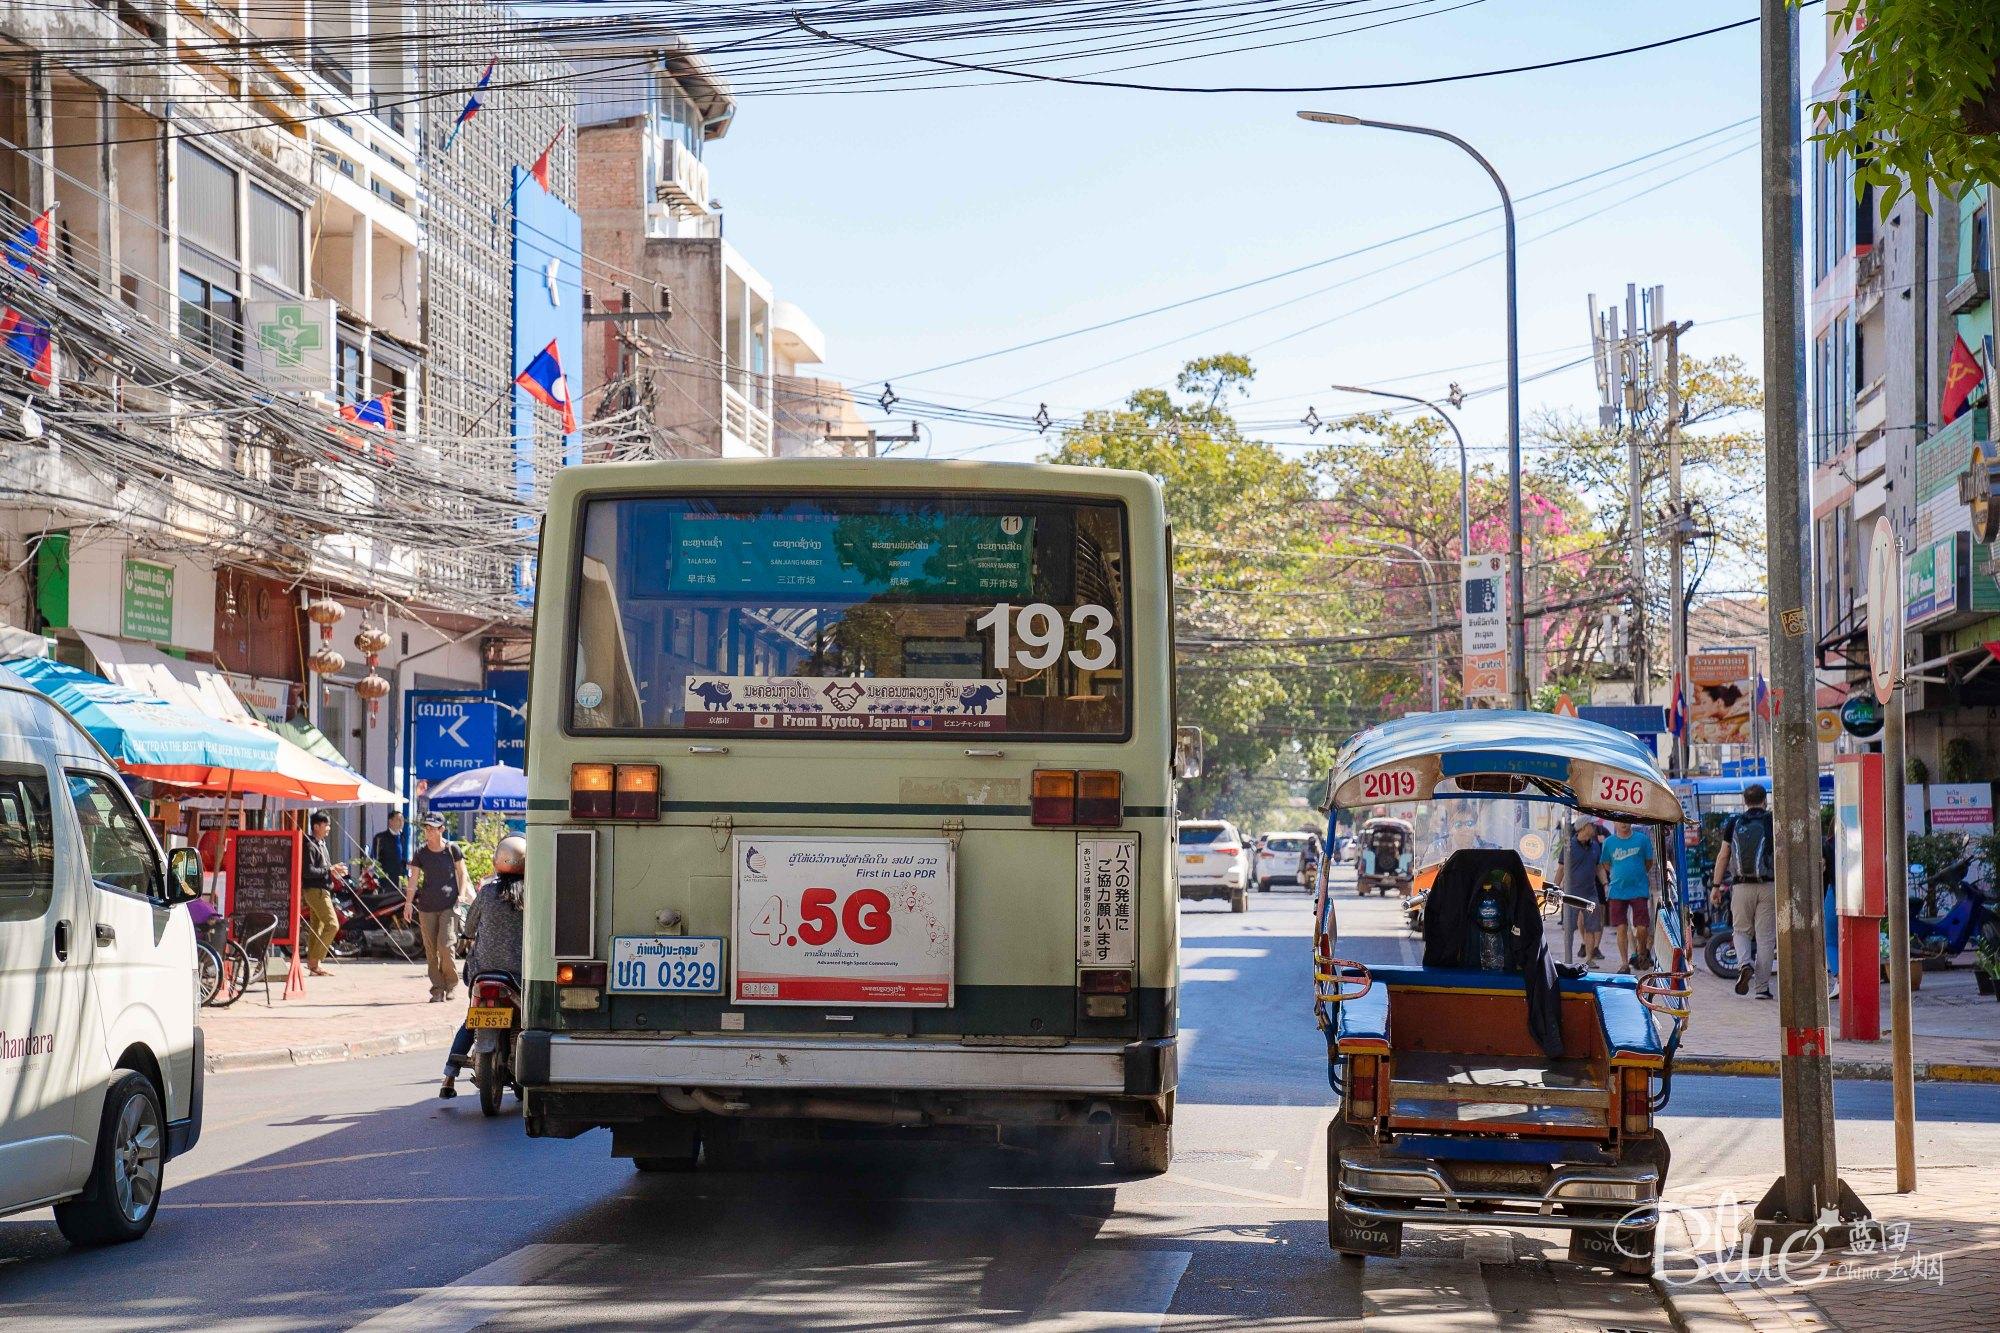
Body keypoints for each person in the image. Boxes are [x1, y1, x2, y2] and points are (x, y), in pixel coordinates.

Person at [440, 835, 526, 1099]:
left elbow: (469, 928)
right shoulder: (533, 895)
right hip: (518, 973)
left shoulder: (487, 892)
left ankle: (448, 1077)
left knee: (470, 1020)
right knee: (525, 1023)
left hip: (483, 970)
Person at [1712, 783, 1778, 1000]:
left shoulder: (1734, 822)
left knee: (1740, 931)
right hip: (1768, 885)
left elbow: (1723, 856)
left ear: (1744, 801)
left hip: (1740, 886)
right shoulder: (1771, 821)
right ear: (1764, 800)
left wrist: (1716, 886)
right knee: (1765, 938)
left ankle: (1743, 964)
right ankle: (1761, 988)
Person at [404, 814, 471, 1002]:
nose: (429, 831)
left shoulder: (452, 849)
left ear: (442, 829)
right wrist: (408, 903)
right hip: (426, 906)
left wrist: (461, 894)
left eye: (433, 828)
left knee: (446, 945)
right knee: (431, 949)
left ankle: (451, 984)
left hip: (449, 905)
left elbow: (462, 872)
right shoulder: (421, 853)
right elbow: (414, 879)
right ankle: (437, 988)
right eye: (427, 828)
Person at [1601, 818, 1655, 973]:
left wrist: (1636, 874)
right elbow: (1606, 863)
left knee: (1642, 927)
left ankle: (1642, 952)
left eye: (1626, 820)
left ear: (1631, 822)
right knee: (1621, 927)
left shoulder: (1642, 840)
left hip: (1639, 889)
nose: (1623, 824)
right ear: (1614, 824)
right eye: (1619, 821)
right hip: (1617, 889)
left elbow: (1648, 862)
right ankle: (1624, 963)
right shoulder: (1609, 842)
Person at [300, 811, 345, 978]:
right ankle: (315, 960)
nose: (328, 828)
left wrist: (334, 870)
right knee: (332, 925)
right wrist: (330, 869)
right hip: (315, 890)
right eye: (326, 825)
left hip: (324, 888)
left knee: (317, 927)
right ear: (316, 826)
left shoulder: (322, 844)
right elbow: (308, 871)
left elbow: (324, 868)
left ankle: (314, 965)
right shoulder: (309, 845)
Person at [1558, 818, 1607, 967]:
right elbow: (1561, 868)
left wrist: (1605, 884)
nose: (1594, 827)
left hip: (1590, 892)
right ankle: (1568, 958)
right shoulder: (1569, 846)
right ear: (1583, 827)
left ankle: (1589, 959)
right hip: (1571, 894)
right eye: (1592, 825)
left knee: (1592, 927)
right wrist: (1554, 887)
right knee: (1569, 928)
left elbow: (1598, 867)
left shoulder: (1595, 846)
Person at [370, 811, 410, 889]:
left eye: (402, 820)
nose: (401, 822)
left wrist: (407, 863)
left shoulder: (402, 837)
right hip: (385, 879)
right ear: (390, 821)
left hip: (399, 878)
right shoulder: (381, 838)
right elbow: (375, 859)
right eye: (398, 819)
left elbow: (401, 857)